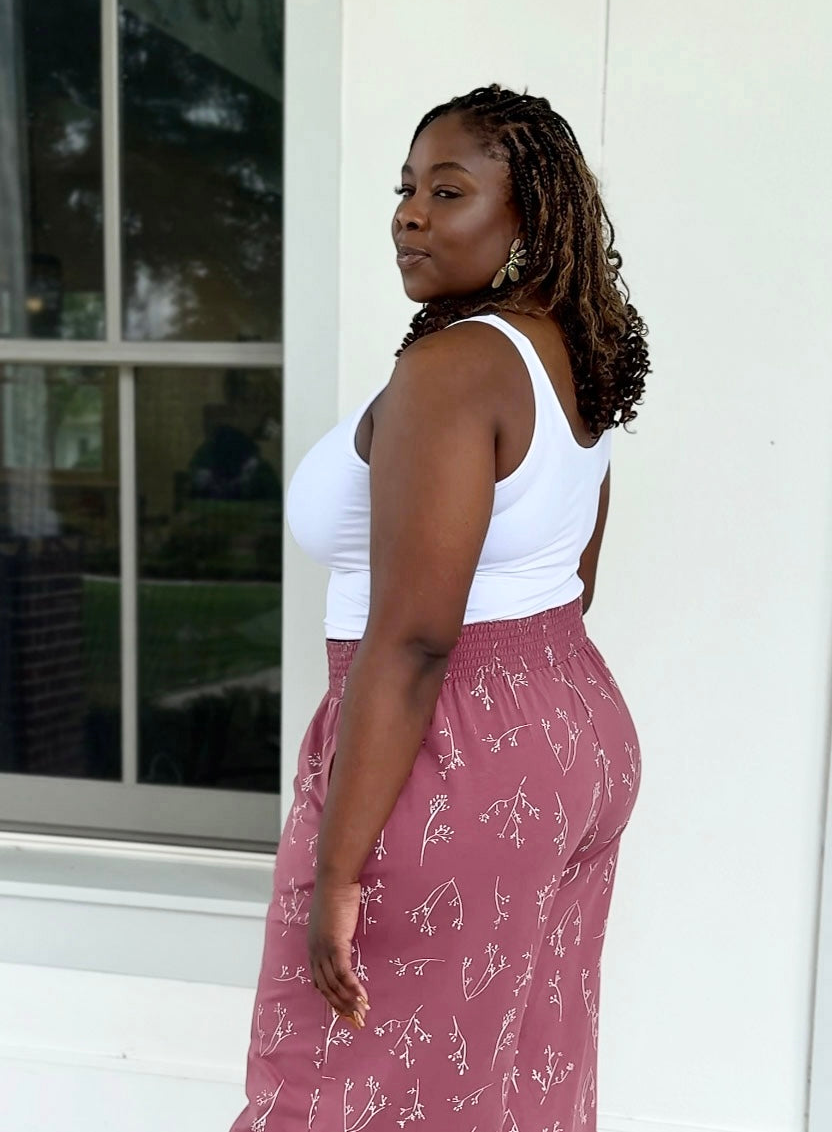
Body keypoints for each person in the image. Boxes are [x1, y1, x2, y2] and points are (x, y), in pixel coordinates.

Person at [229, 84, 650, 1132]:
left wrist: (338, 871)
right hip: (570, 730)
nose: (411, 214)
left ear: (528, 216)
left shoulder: (454, 368)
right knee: (514, 1084)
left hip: (446, 744)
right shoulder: (570, 353)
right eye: (406, 188)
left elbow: (416, 639)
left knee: (343, 1092)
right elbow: (573, 579)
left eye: (448, 191)